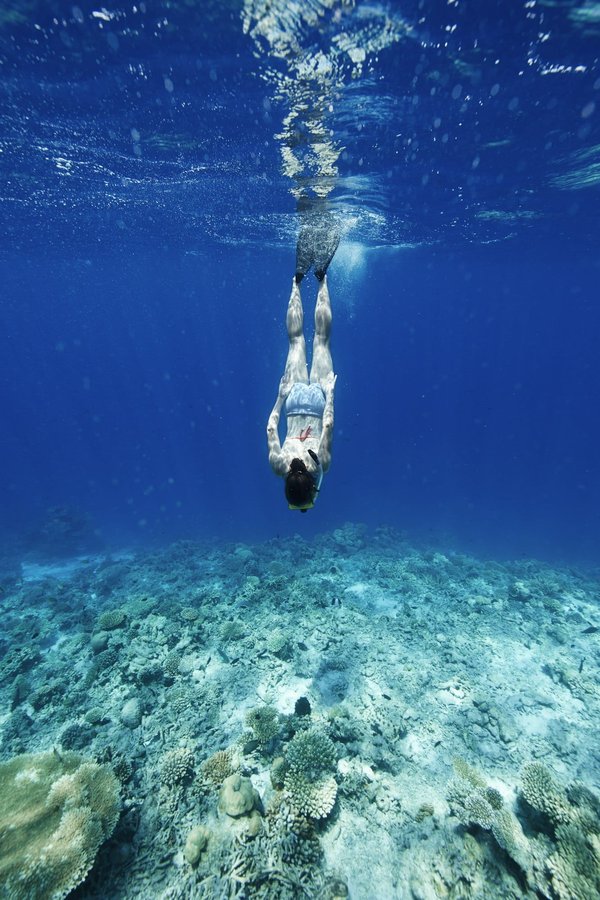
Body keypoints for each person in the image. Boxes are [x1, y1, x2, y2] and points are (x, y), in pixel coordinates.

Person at [267, 216, 339, 512]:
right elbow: (271, 428)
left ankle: (321, 276)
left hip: (318, 399)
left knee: (321, 340)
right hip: (294, 399)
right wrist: (280, 397)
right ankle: (297, 280)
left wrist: (331, 393)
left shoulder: (322, 464)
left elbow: (329, 423)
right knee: (296, 340)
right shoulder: (278, 465)